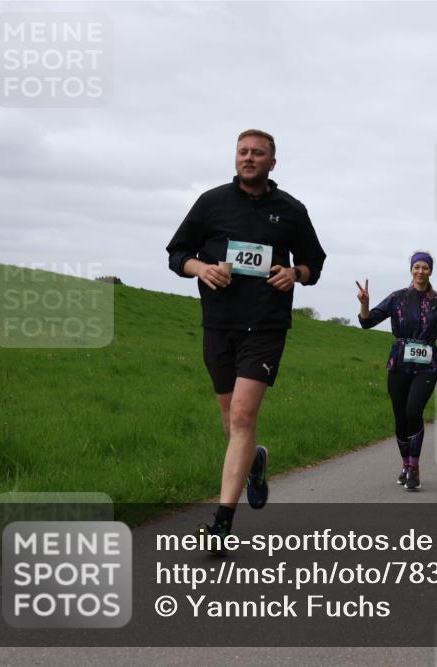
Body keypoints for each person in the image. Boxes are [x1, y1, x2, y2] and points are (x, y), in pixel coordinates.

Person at [166, 129, 326, 546]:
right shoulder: (211, 203)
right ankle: (254, 460)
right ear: (235, 158)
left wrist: (296, 273)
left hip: (266, 326)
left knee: (241, 416)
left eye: (258, 153)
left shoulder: (291, 209)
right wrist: (200, 269)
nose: (249, 158)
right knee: (231, 422)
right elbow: (176, 254)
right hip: (219, 324)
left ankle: (221, 524)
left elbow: (314, 263)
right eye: (243, 152)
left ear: (273, 162)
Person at [357, 251, 437, 491]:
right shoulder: (397, 297)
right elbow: (367, 322)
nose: (421, 271)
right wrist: (364, 303)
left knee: (414, 411)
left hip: (427, 365)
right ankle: (404, 464)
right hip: (399, 363)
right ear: (411, 269)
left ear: (431, 271)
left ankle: (414, 467)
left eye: (425, 267)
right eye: (417, 267)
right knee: (400, 417)